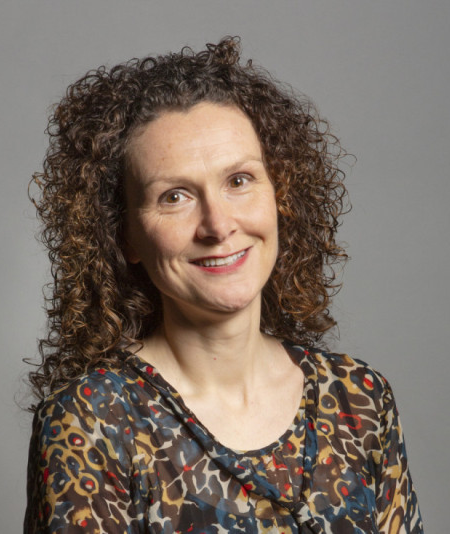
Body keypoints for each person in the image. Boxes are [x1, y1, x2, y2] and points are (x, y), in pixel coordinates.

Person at [24, 37, 423, 534]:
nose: (218, 224)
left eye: (239, 181)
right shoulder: (91, 421)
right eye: (175, 196)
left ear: (282, 195)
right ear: (124, 235)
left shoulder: (359, 399)